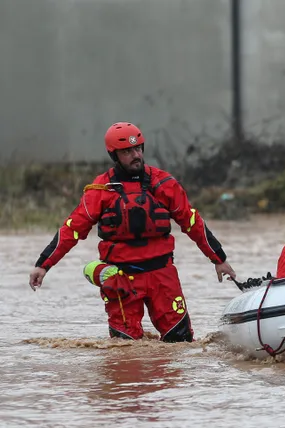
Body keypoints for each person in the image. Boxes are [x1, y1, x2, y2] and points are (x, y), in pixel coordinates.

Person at [28, 122, 236, 342]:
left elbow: (193, 223)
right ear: (114, 155)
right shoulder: (101, 190)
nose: (135, 155)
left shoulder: (164, 183)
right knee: (125, 350)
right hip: (121, 279)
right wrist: (43, 264)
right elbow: (72, 230)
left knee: (181, 343)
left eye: (138, 149)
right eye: (127, 151)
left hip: (162, 275)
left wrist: (218, 259)